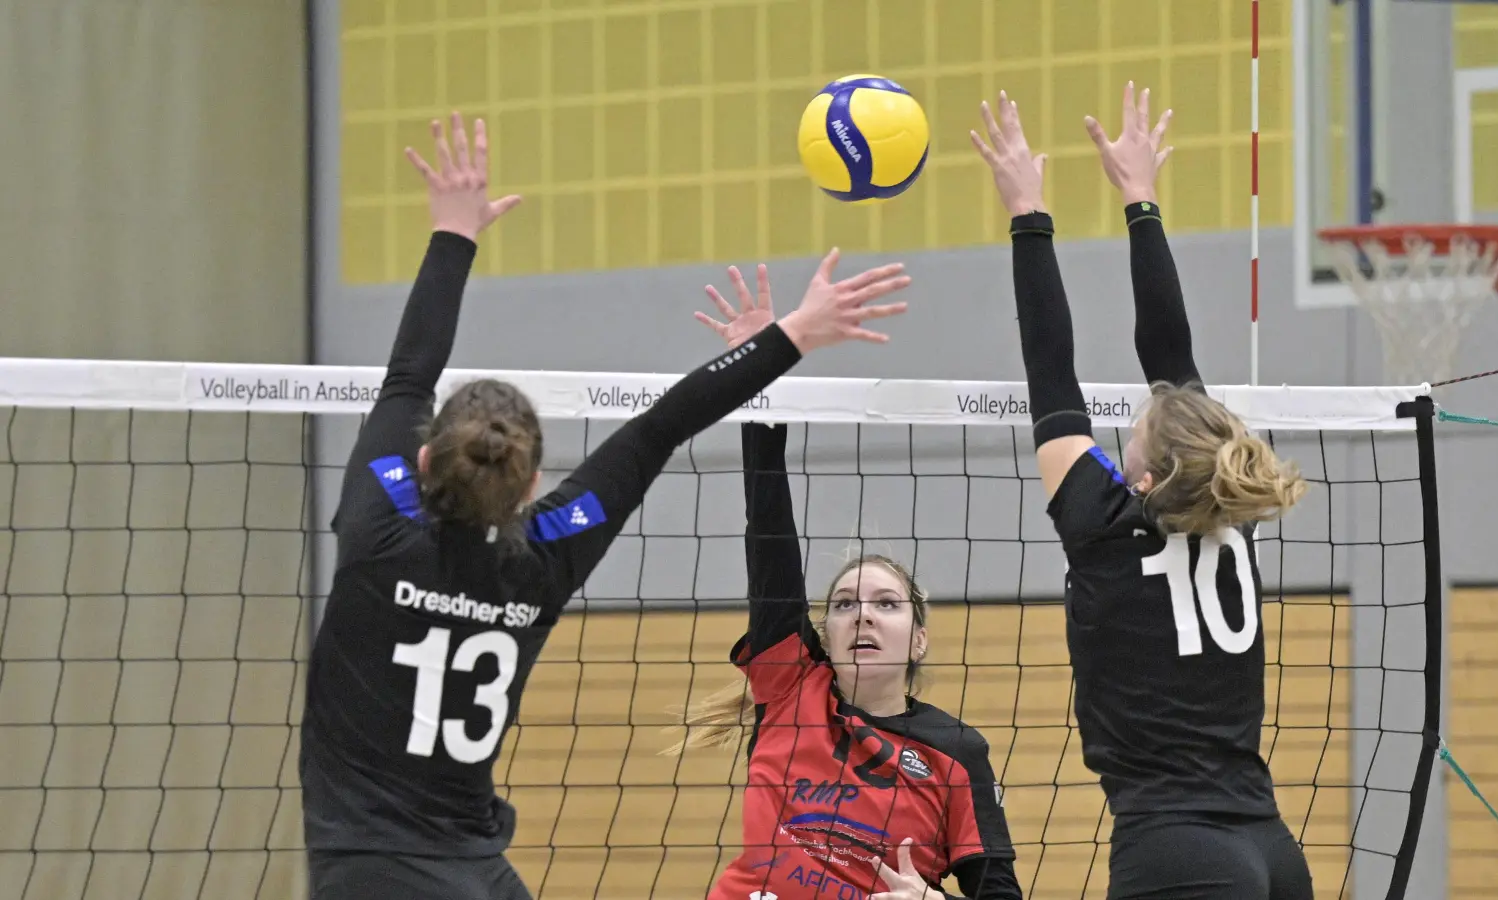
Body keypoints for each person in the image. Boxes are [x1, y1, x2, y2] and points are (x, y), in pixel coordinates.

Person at [299, 112, 914, 900]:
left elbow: (406, 379)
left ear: (421, 463)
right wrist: (787, 336)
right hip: (477, 872)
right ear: (531, 487)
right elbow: (658, 430)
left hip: (370, 873)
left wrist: (453, 232)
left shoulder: (378, 525)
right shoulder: (546, 553)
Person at [969, 84, 1315, 900]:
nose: (1124, 428)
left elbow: (1051, 366)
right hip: (1272, 850)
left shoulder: (1103, 523)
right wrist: (1138, 197)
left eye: (1129, 433)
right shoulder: (1231, 518)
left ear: (1147, 477)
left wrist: (1027, 212)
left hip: (1176, 852)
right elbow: (1169, 356)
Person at [663, 265, 1021, 900]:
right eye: (846, 604)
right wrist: (761, 366)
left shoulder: (956, 750)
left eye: (887, 604)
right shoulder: (791, 684)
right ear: (823, 635)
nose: (863, 614)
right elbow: (768, 528)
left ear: (918, 640)